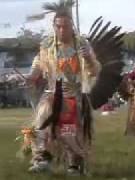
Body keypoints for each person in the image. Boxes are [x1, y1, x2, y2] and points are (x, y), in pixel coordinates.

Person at [26, 0, 100, 174]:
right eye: (58, 26)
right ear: (54, 26)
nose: (61, 30)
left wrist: (88, 59)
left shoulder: (81, 43)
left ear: (71, 25)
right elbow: (38, 63)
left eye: (65, 26)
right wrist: (31, 76)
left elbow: (95, 70)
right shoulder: (47, 44)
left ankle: (74, 163)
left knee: (70, 131)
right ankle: (42, 158)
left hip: (74, 95)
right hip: (52, 93)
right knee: (42, 121)